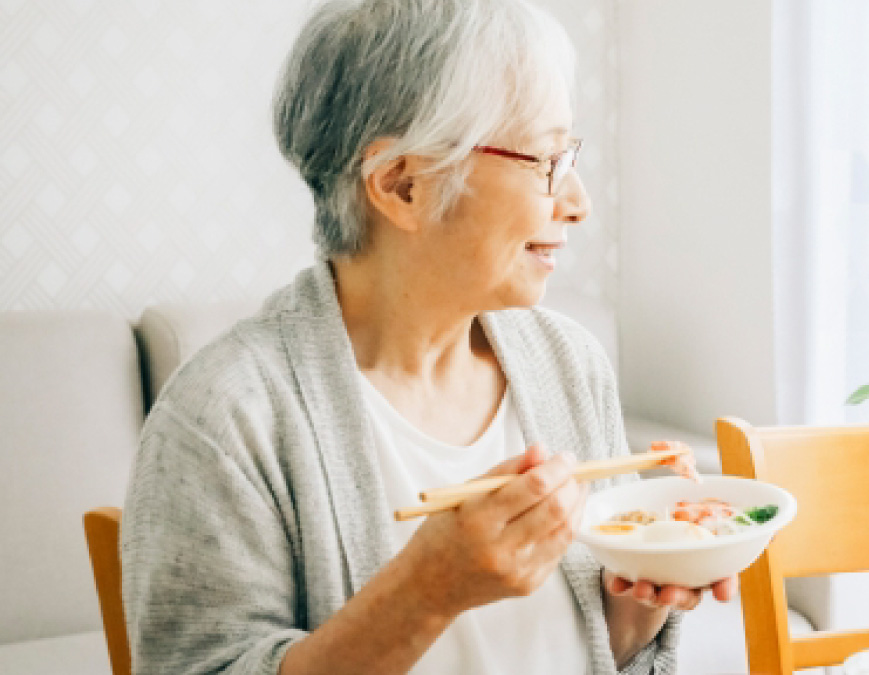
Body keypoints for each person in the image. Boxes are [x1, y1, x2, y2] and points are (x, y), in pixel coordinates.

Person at [121, 1, 730, 673]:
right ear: (402, 184)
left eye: (570, 153)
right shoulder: (226, 417)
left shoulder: (569, 365)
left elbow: (600, 653)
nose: (577, 200)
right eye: (545, 159)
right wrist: (425, 591)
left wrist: (649, 589)